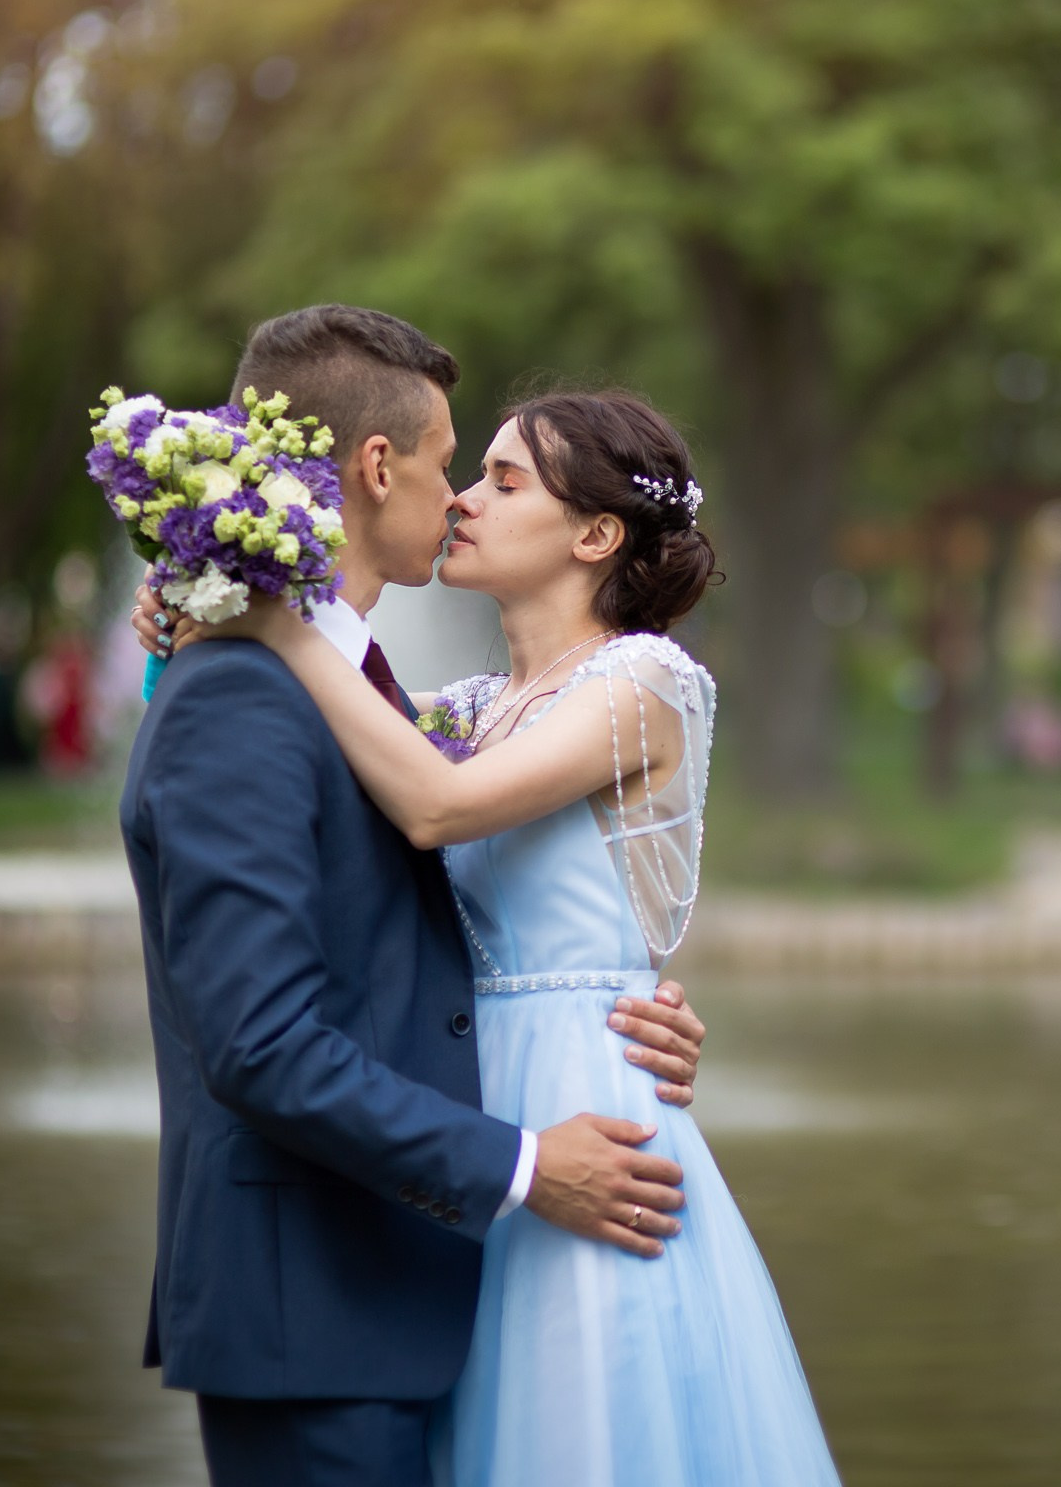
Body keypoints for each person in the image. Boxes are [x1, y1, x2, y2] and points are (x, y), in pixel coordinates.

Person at [158, 385, 843, 1486]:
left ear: (595, 535)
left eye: (504, 481)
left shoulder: (643, 681)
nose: (464, 500)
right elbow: (335, 742)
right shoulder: (473, 708)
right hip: (472, 1104)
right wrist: (187, 629)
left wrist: (277, 620)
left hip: (583, 1092)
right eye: (470, 473)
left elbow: (436, 808)